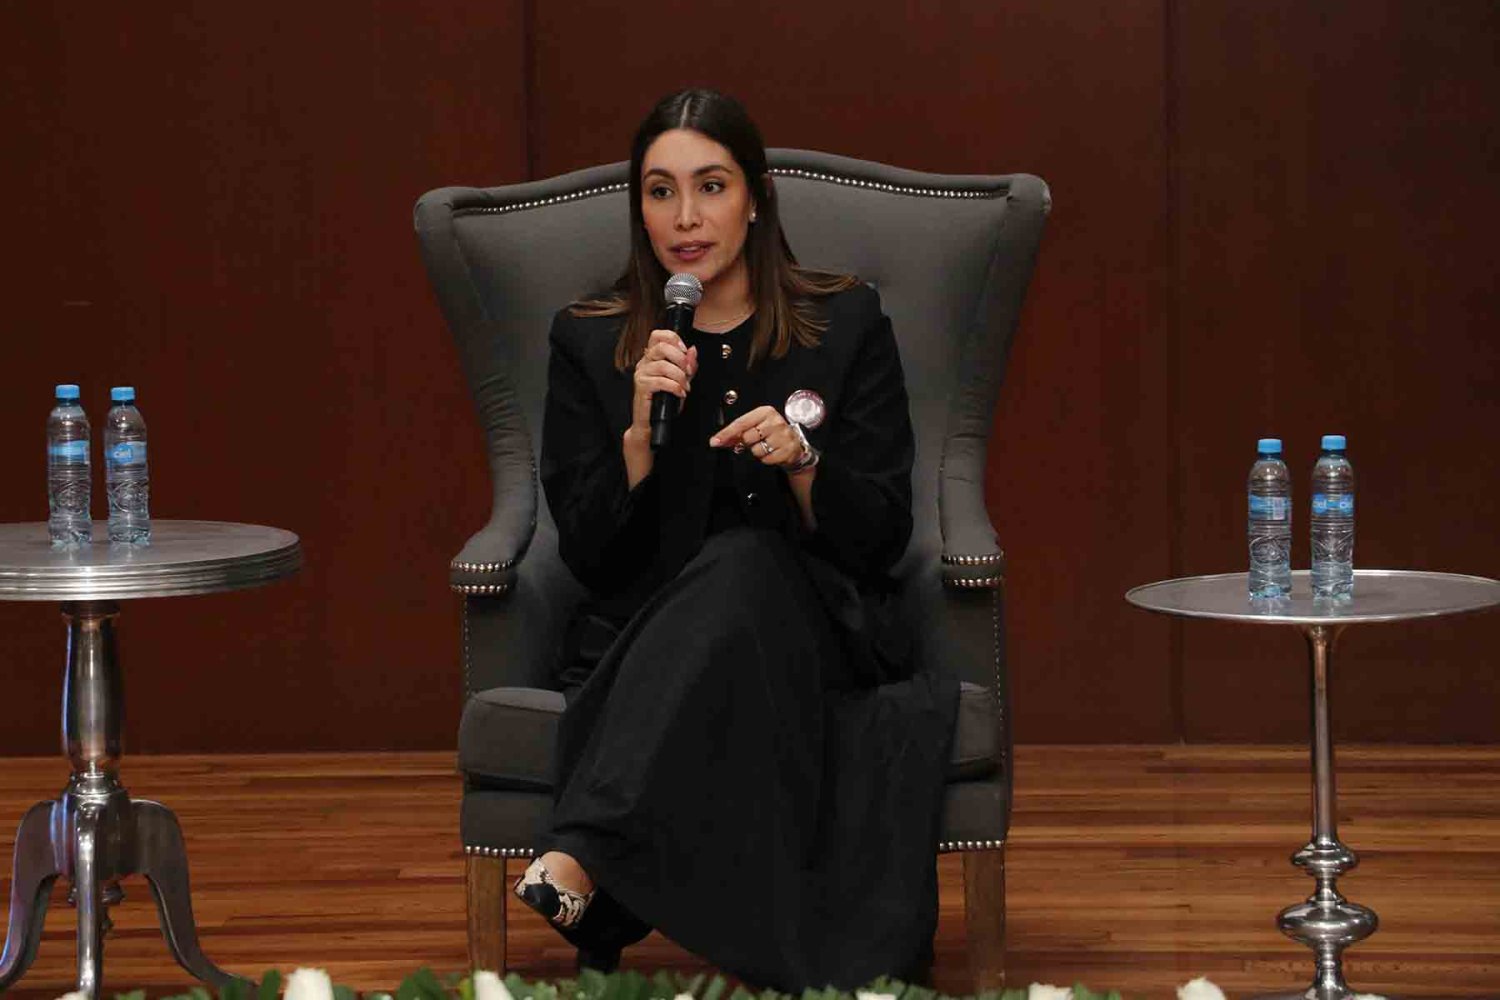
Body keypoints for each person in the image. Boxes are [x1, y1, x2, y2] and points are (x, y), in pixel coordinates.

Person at [516, 88, 958, 991]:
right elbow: (589, 558)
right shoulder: (592, 341)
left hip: (815, 632)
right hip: (648, 635)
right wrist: (638, 442)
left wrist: (803, 464)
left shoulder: (845, 323)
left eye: (711, 186)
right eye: (660, 191)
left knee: (750, 559)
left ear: (755, 198)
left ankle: (587, 851)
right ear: (639, 209)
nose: (686, 217)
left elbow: (883, 537)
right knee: (731, 565)